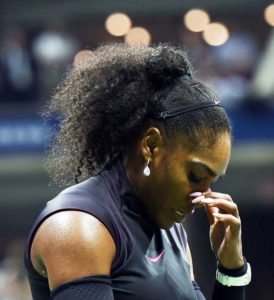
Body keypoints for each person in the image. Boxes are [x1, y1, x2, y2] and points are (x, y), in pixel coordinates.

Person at [24, 43, 251, 300]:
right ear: (151, 145)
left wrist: (232, 268)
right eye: (196, 176)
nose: (202, 197)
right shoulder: (79, 227)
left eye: (212, 182)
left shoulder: (171, 231)